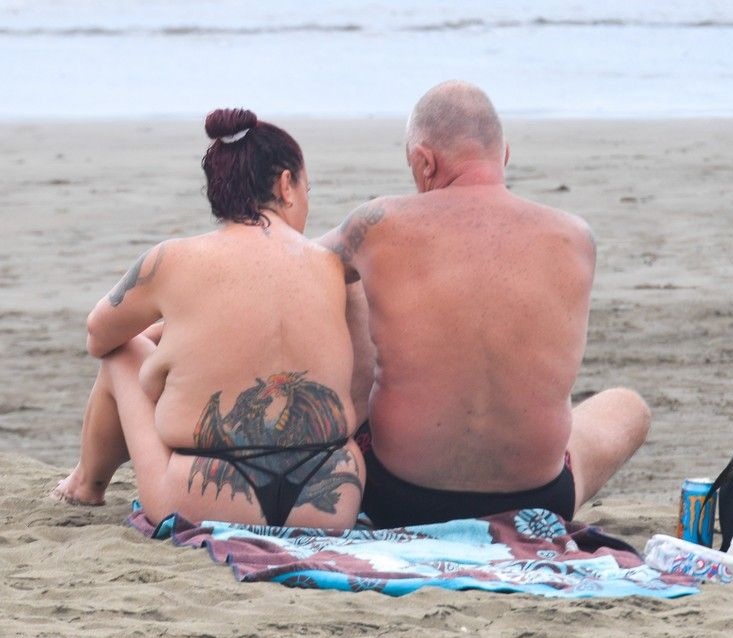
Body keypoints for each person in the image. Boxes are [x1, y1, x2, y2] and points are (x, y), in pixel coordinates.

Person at [321, 81, 650, 528]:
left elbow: (300, 267)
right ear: (505, 154)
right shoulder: (575, 238)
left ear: (424, 161)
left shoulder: (377, 223)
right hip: (539, 500)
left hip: (395, 497)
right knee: (628, 406)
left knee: (345, 280)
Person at [52, 108, 364, 529]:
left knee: (121, 353)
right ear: (286, 185)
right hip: (329, 498)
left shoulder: (172, 260)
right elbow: (360, 379)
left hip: (203, 495)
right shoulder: (333, 266)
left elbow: (98, 336)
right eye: (309, 188)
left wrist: (160, 339)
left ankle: (86, 485)